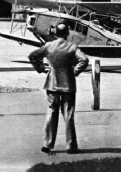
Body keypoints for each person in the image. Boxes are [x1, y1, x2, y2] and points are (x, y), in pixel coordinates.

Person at [28, 22, 89, 155]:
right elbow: (84, 60)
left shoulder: (49, 46)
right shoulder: (72, 47)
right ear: (67, 33)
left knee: (51, 112)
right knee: (68, 115)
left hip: (52, 84)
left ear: (55, 33)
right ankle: (71, 146)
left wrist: (41, 68)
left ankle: (47, 144)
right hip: (68, 85)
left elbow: (32, 56)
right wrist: (75, 71)